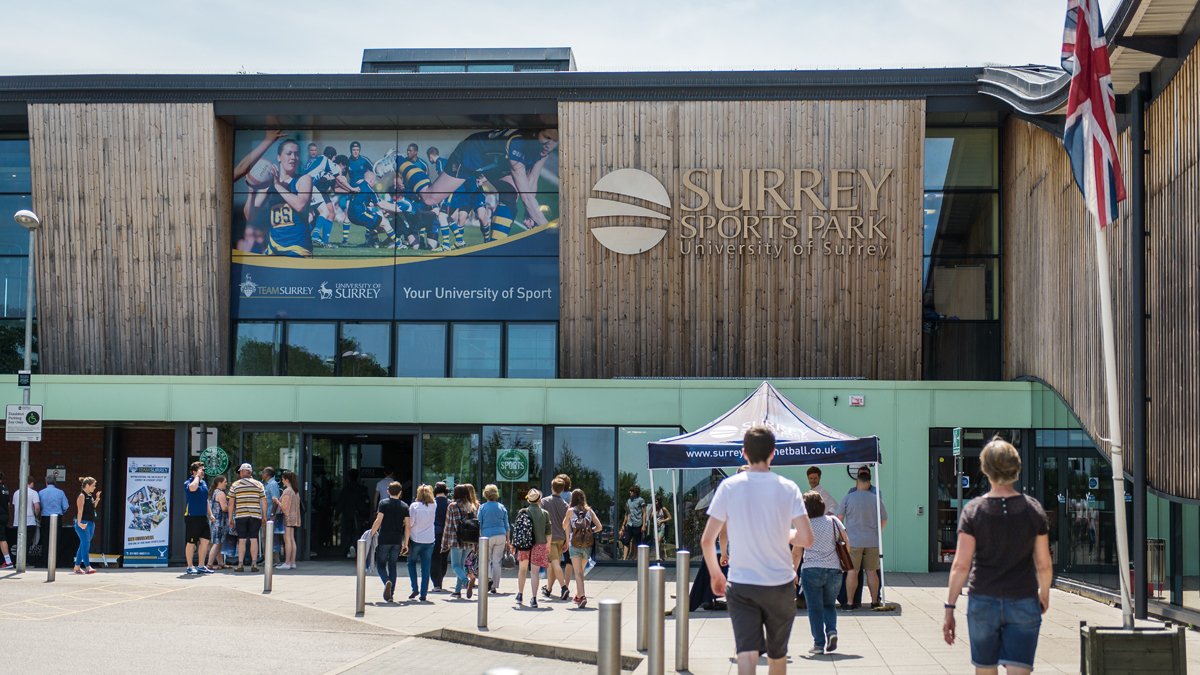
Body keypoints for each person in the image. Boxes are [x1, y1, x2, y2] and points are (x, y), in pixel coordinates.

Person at [700, 425, 813, 675]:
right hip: (780, 585)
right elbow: (806, 538)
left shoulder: (729, 487)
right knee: (777, 656)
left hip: (742, 584)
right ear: (773, 453)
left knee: (747, 654)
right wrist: (786, 534)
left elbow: (707, 540)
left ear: (743, 453)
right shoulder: (789, 488)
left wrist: (716, 574)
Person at [944, 437, 1052, 675]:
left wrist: (949, 607)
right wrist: (1043, 594)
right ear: (1016, 468)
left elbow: (961, 566)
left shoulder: (973, 511)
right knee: (1019, 670)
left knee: (984, 669)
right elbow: (1043, 565)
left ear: (985, 469)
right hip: (1023, 598)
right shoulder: (1033, 509)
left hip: (983, 599)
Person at [798, 491, 848, 656]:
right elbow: (847, 543)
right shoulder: (833, 521)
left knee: (814, 608)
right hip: (834, 569)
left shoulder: (803, 525)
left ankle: (818, 644)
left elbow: (797, 552)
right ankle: (832, 631)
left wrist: (792, 571)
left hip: (811, 569)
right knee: (829, 604)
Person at [842, 467, 888, 609]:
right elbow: (884, 518)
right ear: (868, 482)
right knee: (872, 572)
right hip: (872, 540)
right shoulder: (876, 498)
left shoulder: (848, 497)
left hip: (854, 540)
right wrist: (877, 532)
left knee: (852, 571)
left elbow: (838, 517)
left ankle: (849, 603)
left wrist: (844, 534)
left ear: (857, 481)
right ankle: (875, 601)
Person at [369, 481, 409, 603]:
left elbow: (378, 520)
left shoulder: (383, 503)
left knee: (381, 565)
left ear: (387, 492)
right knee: (393, 566)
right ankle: (390, 594)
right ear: (400, 492)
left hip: (384, 539)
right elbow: (408, 526)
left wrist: (371, 534)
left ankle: (387, 581)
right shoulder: (404, 506)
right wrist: (406, 543)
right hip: (397, 540)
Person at [563, 488, 603, 608]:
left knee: (578, 573)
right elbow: (599, 526)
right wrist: (591, 530)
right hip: (587, 545)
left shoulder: (570, 511)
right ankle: (578, 595)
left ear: (572, 499)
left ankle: (582, 597)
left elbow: (564, 525)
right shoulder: (589, 511)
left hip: (574, 544)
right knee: (581, 572)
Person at [227, 463, 268, 573]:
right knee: (254, 538)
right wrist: (264, 516)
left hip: (241, 515)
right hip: (255, 515)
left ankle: (240, 564)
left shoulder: (235, 485)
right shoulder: (259, 484)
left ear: (242, 472)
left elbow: (231, 503)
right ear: (250, 472)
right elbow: (264, 501)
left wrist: (230, 518)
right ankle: (254, 563)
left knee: (242, 539)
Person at [440, 484, 479, 599]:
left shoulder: (452, 506)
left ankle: (466, 582)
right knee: (461, 565)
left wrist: (444, 543)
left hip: (456, 540)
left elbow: (448, 525)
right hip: (468, 540)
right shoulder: (471, 506)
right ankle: (457, 591)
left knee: (455, 566)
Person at [513, 488, 550, 608]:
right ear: (539, 499)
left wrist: (514, 544)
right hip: (539, 544)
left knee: (522, 570)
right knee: (535, 572)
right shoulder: (544, 513)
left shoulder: (523, 512)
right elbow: (548, 532)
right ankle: (534, 598)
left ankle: (520, 594)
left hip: (524, 545)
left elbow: (517, 530)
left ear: (528, 500)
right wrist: (548, 546)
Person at [539, 475, 572, 601]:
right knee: (552, 564)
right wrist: (567, 540)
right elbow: (567, 523)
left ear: (552, 487)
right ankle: (548, 589)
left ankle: (564, 588)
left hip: (550, 538)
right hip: (561, 538)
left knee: (555, 564)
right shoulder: (565, 504)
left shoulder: (544, 501)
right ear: (562, 489)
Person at [478, 484, 510, 594]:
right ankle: (494, 586)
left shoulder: (482, 507)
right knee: (497, 561)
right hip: (501, 535)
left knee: (486, 560)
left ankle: (488, 580)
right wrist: (508, 541)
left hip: (487, 536)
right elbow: (507, 525)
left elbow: (479, 523)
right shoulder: (501, 507)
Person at [406, 484, 437, 601]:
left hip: (416, 539)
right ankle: (423, 593)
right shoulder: (434, 505)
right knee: (426, 567)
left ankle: (415, 588)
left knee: (411, 563)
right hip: (429, 539)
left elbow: (411, 523)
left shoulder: (414, 506)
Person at [183, 461, 213, 575]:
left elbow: (206, 500)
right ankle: (190, 566)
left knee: (205, 541)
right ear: (194, 471)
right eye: (201, 470)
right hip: (192, 517)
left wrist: (210, 514)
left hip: (202, 517)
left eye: (203, 470)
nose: (203, 472)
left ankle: (201, 566)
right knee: (191, 542)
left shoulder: (204, 483)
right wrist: (197, 477)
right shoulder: (189, 482)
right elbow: (192, 488)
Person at [38, 477, 70, 568]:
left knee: (45, 540)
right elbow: (66, 506)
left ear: (46, 482)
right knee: (57, 540)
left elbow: (38, 506)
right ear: (55, 483)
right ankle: (56, 562)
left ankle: (45, 562)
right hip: (57, 518)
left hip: (45, 517)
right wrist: (62, 513)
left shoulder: (41, 492)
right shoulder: (60, 492)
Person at [73, 477, 100, 575]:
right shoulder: (81, 496)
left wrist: (97, 498)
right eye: (93, 485)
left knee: (83, 545)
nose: (94, 487)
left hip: (91, 523)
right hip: (83, 523)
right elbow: (79, 511)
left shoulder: (89, 496)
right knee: (86, 545)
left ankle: (77, 567)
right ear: (87, 485)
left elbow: (93, 507)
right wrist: (79, 523)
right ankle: (88, 567)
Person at [11, 477, 40, 558]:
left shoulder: (16, 493)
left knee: (19, 542)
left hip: (17, 522)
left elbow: (14, 506)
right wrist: (36, 515)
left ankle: (17, 560)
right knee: (27, 542)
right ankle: (24, 560)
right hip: (30, 521)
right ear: (31, 483)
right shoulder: (34, 493)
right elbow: (37, 507)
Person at [278, 471, 301, 570]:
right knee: (291, 539)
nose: (282, 481)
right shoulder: (295, 491)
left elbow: (284, 508)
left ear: (286, 480)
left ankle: (287, 562)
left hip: (288, 518)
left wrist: (277, 501)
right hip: (294, 517)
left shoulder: (287, 491)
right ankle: (292, 562)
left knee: (287, 540)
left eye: (282, 479)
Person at [206, 475, 229, 570]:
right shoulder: (221, 494)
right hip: (220, 521)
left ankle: (220, 563)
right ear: (219, 483)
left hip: (213, 521)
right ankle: (209, 564)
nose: (226, 484)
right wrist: (231, 506)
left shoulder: (213, 493)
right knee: (217, 543)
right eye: (225, 482)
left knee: (216, 542)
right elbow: (224, 508)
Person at [431, 482, 450, 592]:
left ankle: (436, 583)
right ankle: (440, 579)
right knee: (444, 558)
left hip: (434, 533)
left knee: (434, 557)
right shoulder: (450, 503)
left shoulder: (432, 503)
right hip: (447, 534)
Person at [621, 485, 648, 560]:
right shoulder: (628, 501)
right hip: (630, 524)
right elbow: (627, 513)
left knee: (636, 542)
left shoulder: (641, 500)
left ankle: (635, 558)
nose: (630, 492)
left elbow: (644, 513)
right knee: (626, 541)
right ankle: (624, 559)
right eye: (630, 491)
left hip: (638, 523)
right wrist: (623, 524)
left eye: (631, 491)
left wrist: (643, 525)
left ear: (635, 492)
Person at [0, 472, 11, 568]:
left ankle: (8, 561)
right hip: (4, 515)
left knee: (2, 538)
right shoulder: (5, 489)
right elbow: (8, 504)